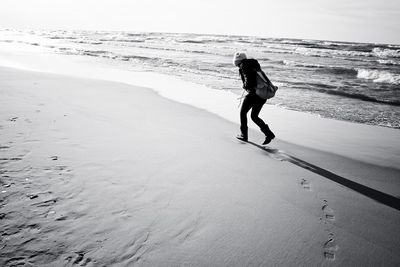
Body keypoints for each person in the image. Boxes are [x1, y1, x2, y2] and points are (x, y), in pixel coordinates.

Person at [233, 52, 275, 145]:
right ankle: (269, 134)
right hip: (262, 94)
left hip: (254, 94)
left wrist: (245, 86)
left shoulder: (244, 65)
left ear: (237, 61)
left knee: (243, 113)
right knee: (254, 116)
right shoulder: (254, 64)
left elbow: (249, 80)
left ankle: (244, 135)